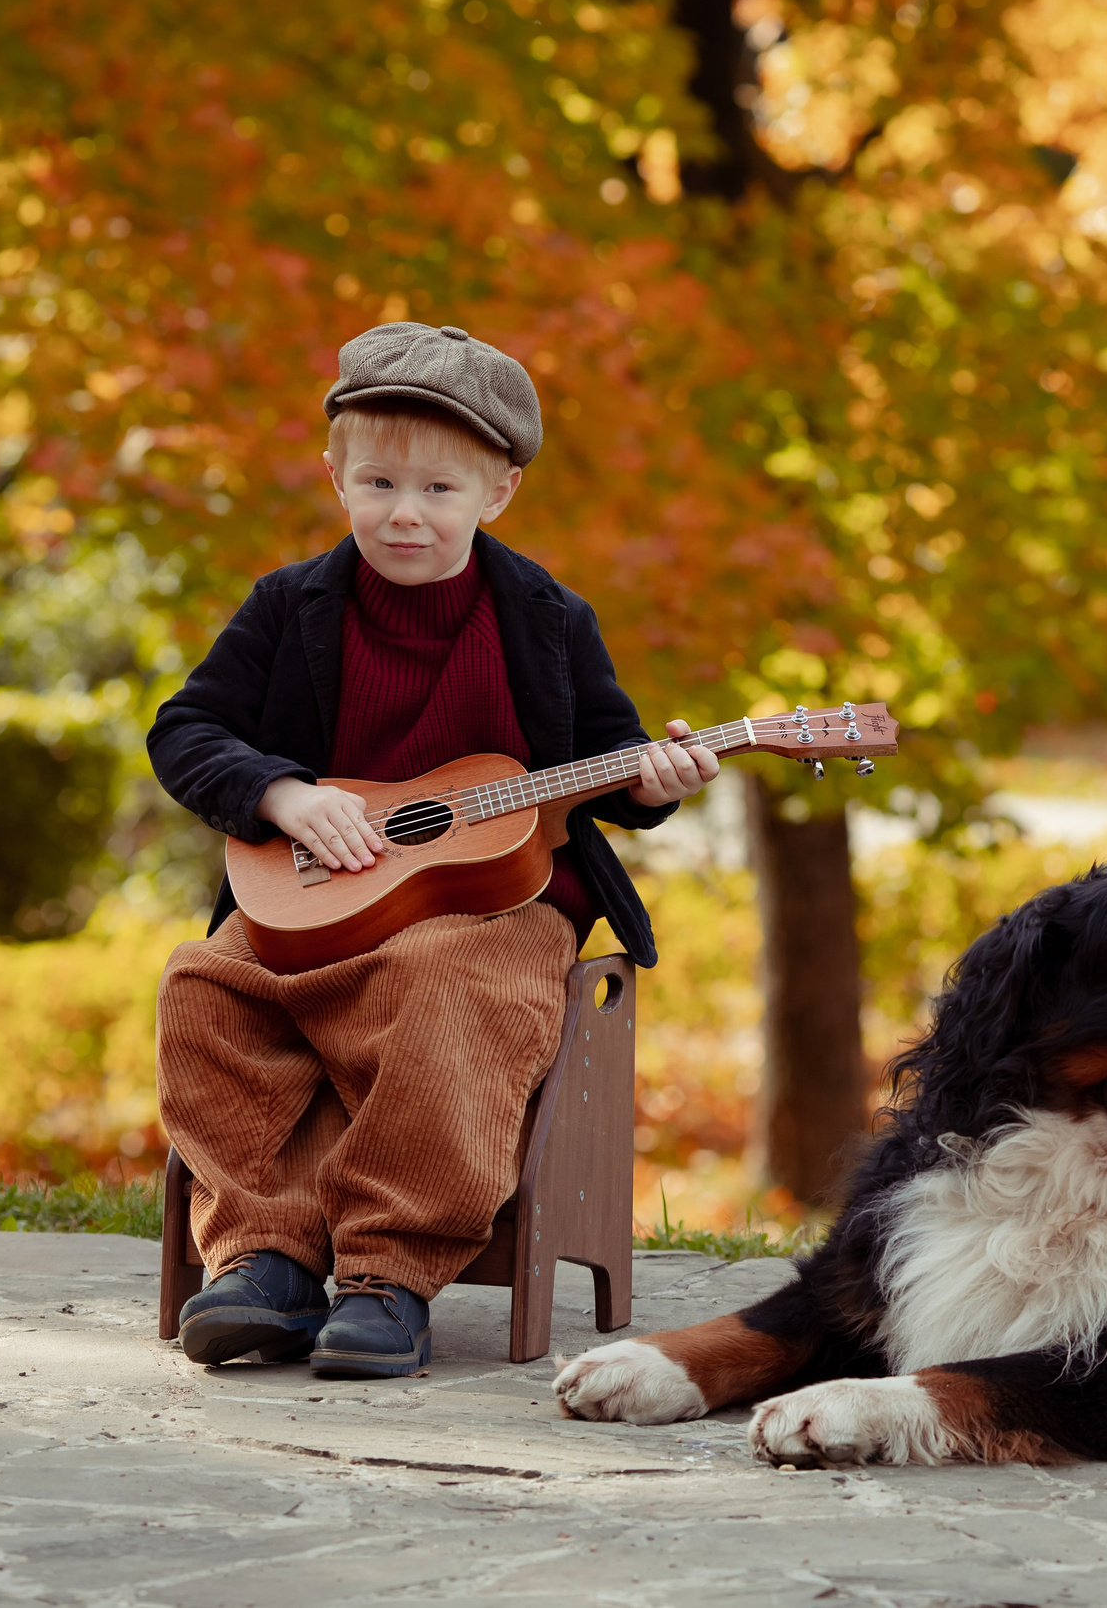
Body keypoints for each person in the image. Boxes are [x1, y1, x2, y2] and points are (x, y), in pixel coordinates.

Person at [146, 321, 718, 1377]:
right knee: (203, 986)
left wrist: (653, 782)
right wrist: (281, 793)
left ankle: (389, 1274)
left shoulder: (545, 619)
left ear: (498, 492)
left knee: (440, 977)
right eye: (378, 483)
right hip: (318, 901)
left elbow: (610, 763)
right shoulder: (290, 606)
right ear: (335, 476)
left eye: (439, 490)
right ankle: (264, 1261)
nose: (404, 512)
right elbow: (186, 730)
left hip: (500, 908)